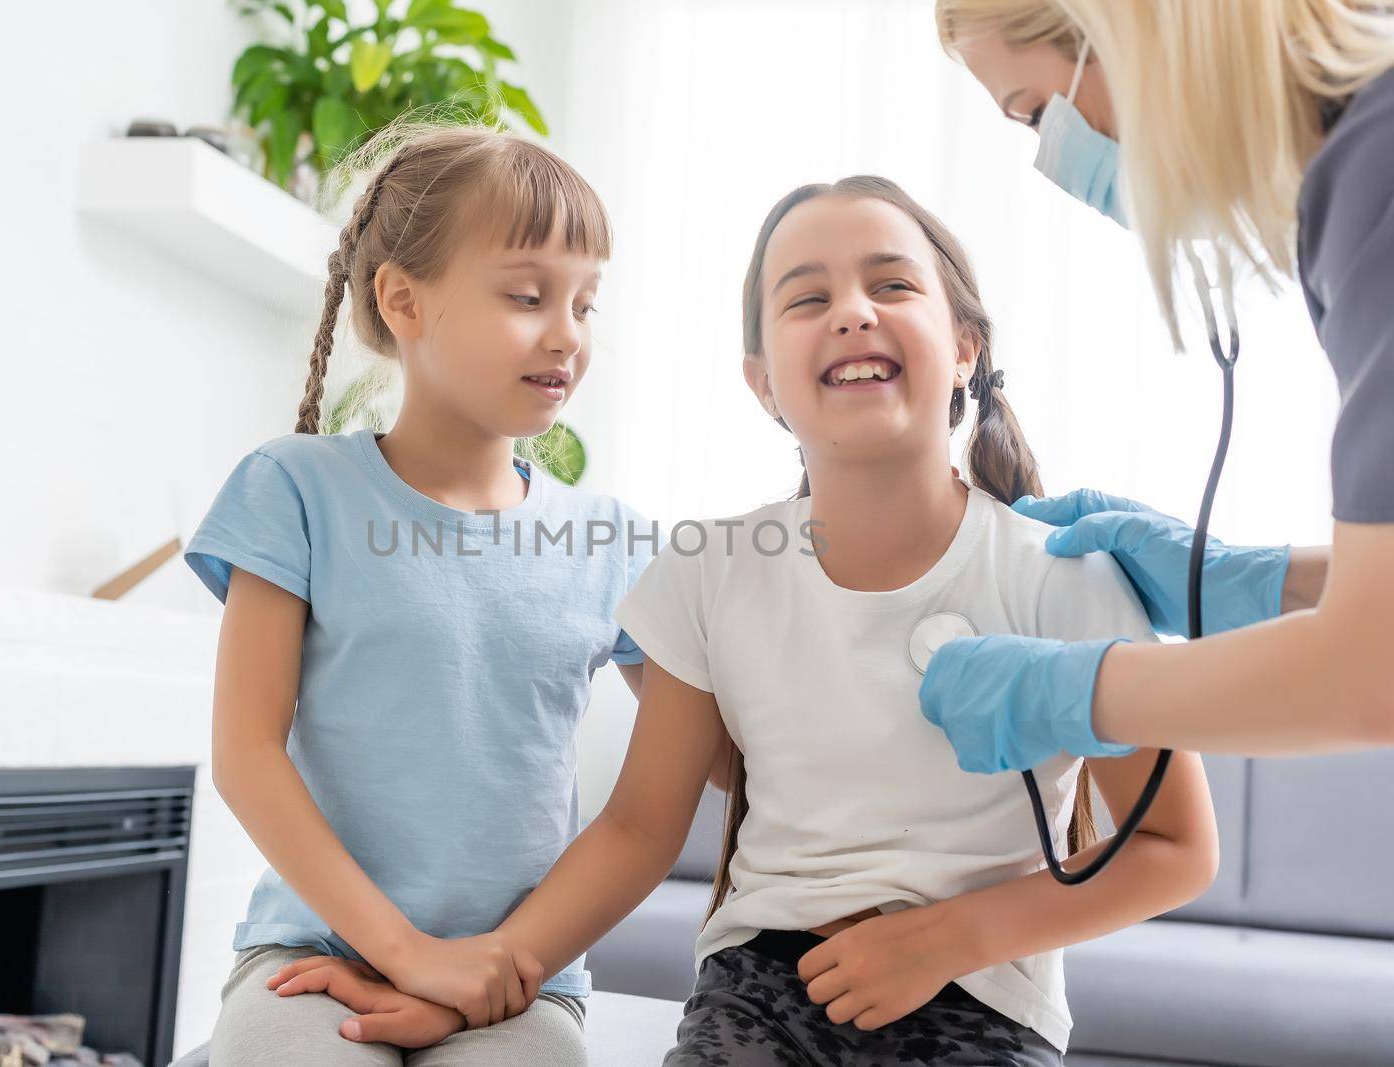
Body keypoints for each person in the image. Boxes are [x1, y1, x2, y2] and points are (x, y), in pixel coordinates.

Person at [274, 175, 1219, 1064]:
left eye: (892, 283)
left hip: (984, 993)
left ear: (966, 343)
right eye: (807, 299)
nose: (853, 309)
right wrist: (479, 983)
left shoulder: (1067, 571)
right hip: (759, 986)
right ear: (761, 381)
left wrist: (947, 937)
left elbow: (1174, 846)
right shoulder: (707, 570)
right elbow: (638, 828)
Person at [178, 124, 653, 1065]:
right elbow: (245, 751)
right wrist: (406, 955)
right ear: (403, 300)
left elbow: (668, 797)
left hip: (524, 982)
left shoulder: (615, 540)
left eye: (586, 303)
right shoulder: (295, 487)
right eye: (527, 296)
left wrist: (486, 972)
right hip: (313, 956)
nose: (568, 335)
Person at [921, 0, 1394, 773]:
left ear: (1129, 30)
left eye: (1037, 114)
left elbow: (1374, 667)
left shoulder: (1377, 175)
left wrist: (1070, 691)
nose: (1055, 159)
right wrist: (1252, 582)